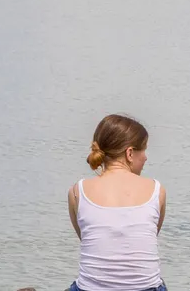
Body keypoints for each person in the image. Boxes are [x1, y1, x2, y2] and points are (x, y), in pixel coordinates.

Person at [67, 114, 168, 291]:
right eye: (143, 150)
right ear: (130, 153)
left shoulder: (78, 191)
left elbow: (86, 239)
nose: (145, 158)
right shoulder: (156, 190)